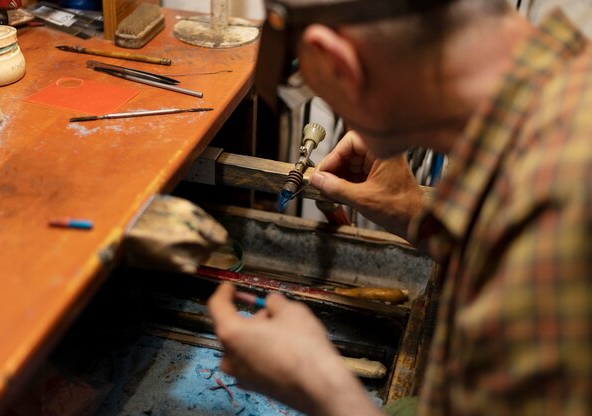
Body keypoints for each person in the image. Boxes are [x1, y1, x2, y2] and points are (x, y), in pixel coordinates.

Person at [208, 0, 592, 414]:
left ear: (341, 65)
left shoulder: (556, 214)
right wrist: (416, 216)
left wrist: (319, 384)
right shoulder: (566, 96)